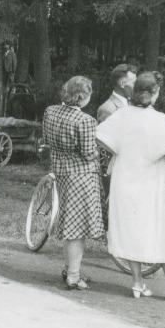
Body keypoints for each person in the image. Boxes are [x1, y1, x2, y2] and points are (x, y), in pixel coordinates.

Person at [96, 72, 165, 301]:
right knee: (160, 226)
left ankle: (138, 283)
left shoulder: (122, 116)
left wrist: (119, 150)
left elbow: (99, 137)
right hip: (151, 180)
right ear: (155, 93)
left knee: (131, 227)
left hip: (125, 176)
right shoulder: (158, 119)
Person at [42, 76, 104, 290]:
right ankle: (74, 276)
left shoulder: (50, 111)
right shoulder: (86, 121)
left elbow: (47, 140)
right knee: (77, 228)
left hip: (61, 172)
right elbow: (88, 154)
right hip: (82, 177)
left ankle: (69, 268)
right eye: (89, 94)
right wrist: (99, 151)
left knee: (69, 222)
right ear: (80, 97)